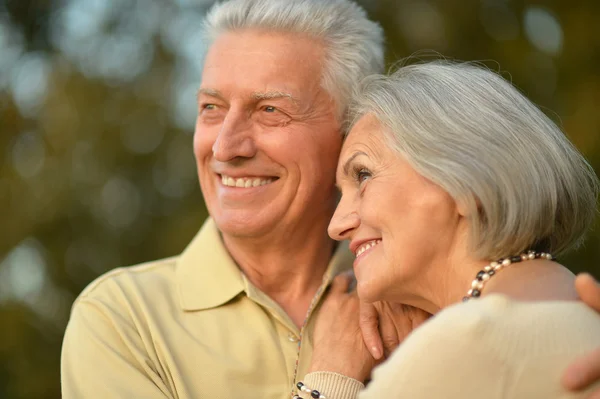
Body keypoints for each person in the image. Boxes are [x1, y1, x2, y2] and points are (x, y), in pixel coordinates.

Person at [59, 0, 600, 397]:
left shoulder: (434, 290)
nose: (226, 146)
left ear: (348, 132)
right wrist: (330, 382)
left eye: (270, 110)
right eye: (210, 108)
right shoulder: (121, 322)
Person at [297, 61, 600, 399]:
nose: (336, 226)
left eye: (363, 175)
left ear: (465, 182)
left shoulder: (460, 346)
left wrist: (328, 378)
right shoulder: (578, 314)